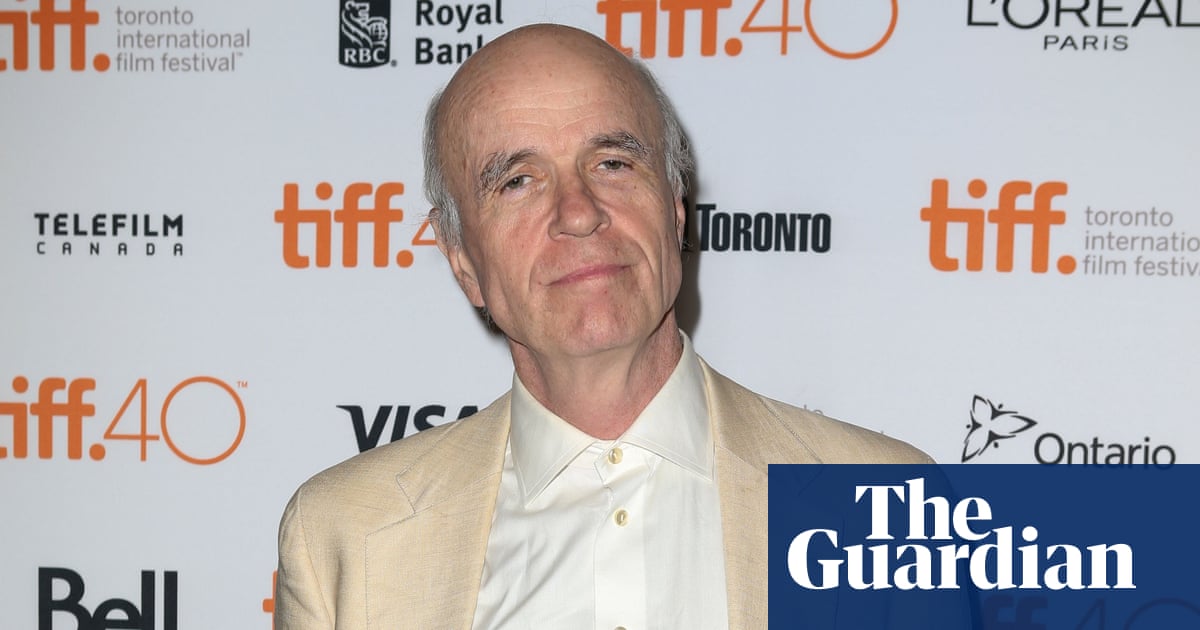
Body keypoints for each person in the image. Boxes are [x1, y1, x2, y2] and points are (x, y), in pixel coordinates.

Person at [275, 23, 931, 630]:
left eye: (613, 163)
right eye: (518, 181)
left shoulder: (889, 502)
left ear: (675, 211)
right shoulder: (338, 539)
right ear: (464, 263)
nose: (579, 212)